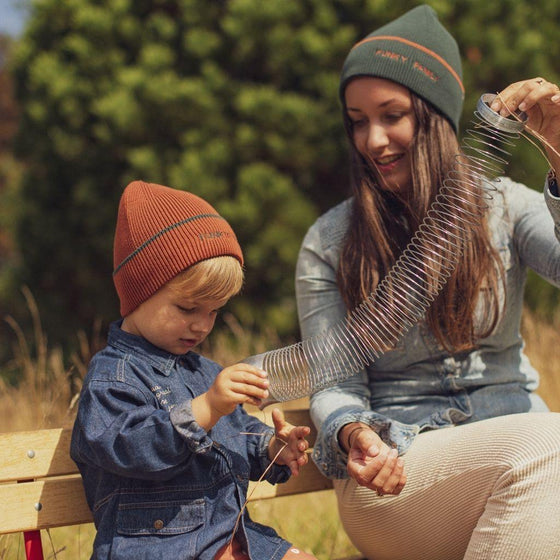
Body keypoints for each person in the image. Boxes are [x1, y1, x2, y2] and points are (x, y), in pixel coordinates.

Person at [295, 5, 560, 560]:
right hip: (398, 472)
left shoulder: (508, 208)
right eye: (357, 119)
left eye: (392, 115)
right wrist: (351, 432)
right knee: (549, 447)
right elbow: (333, 379)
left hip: (524, 458)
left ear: (436, 116)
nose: (373, 139)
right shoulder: (331, 241)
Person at [71, 180, 318, 560]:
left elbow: (236, 441)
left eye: (214, 310)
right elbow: (131, 450)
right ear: (140, 291)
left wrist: (272, 449)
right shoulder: (113, 377)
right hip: (161, 548)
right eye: (188, 309)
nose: (202, 326)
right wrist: (207, 408)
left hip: (231, 538)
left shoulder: (205, 372)